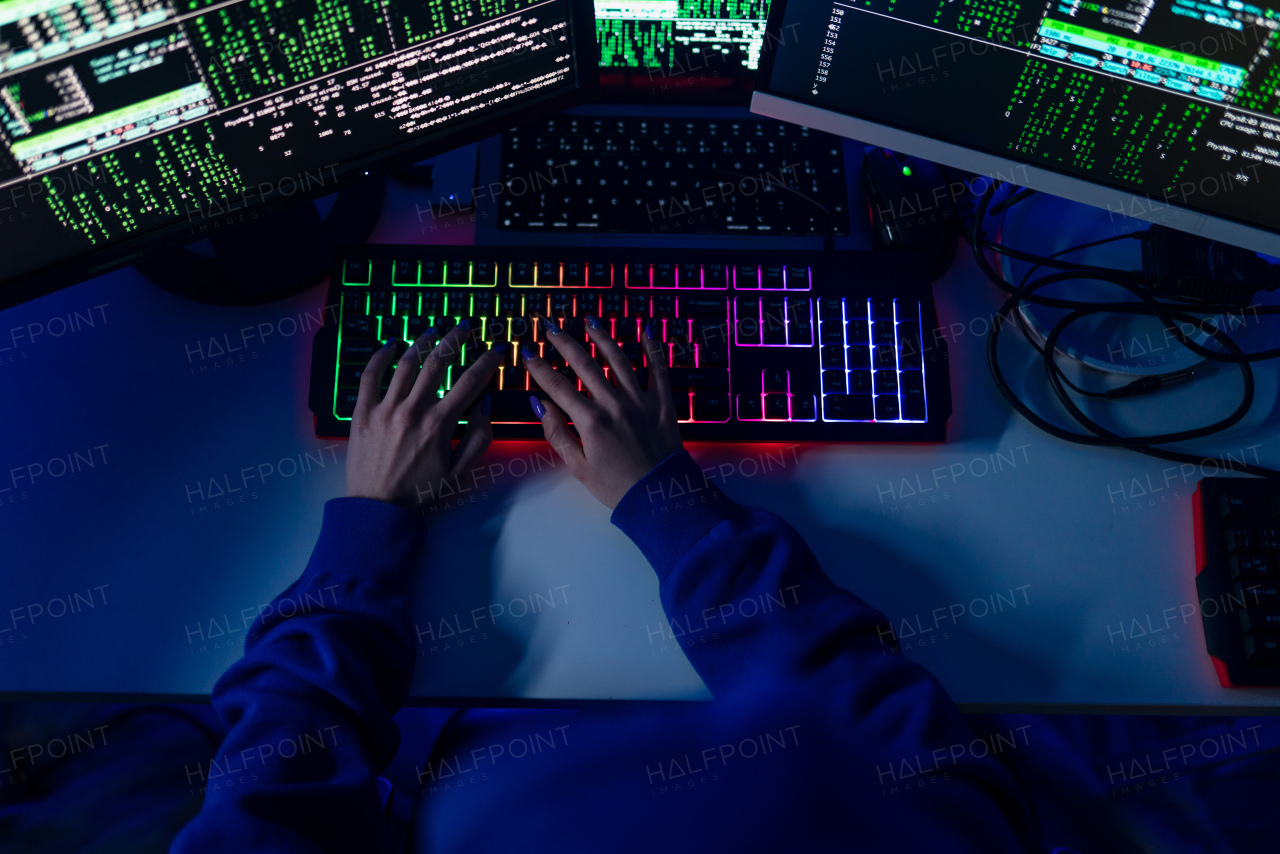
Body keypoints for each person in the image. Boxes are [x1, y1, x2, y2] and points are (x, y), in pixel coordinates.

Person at [169, 317, 1041, 853]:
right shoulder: (946, 829)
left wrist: (370, 520)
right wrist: (666, 499)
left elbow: (273, 779)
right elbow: (876, 728)